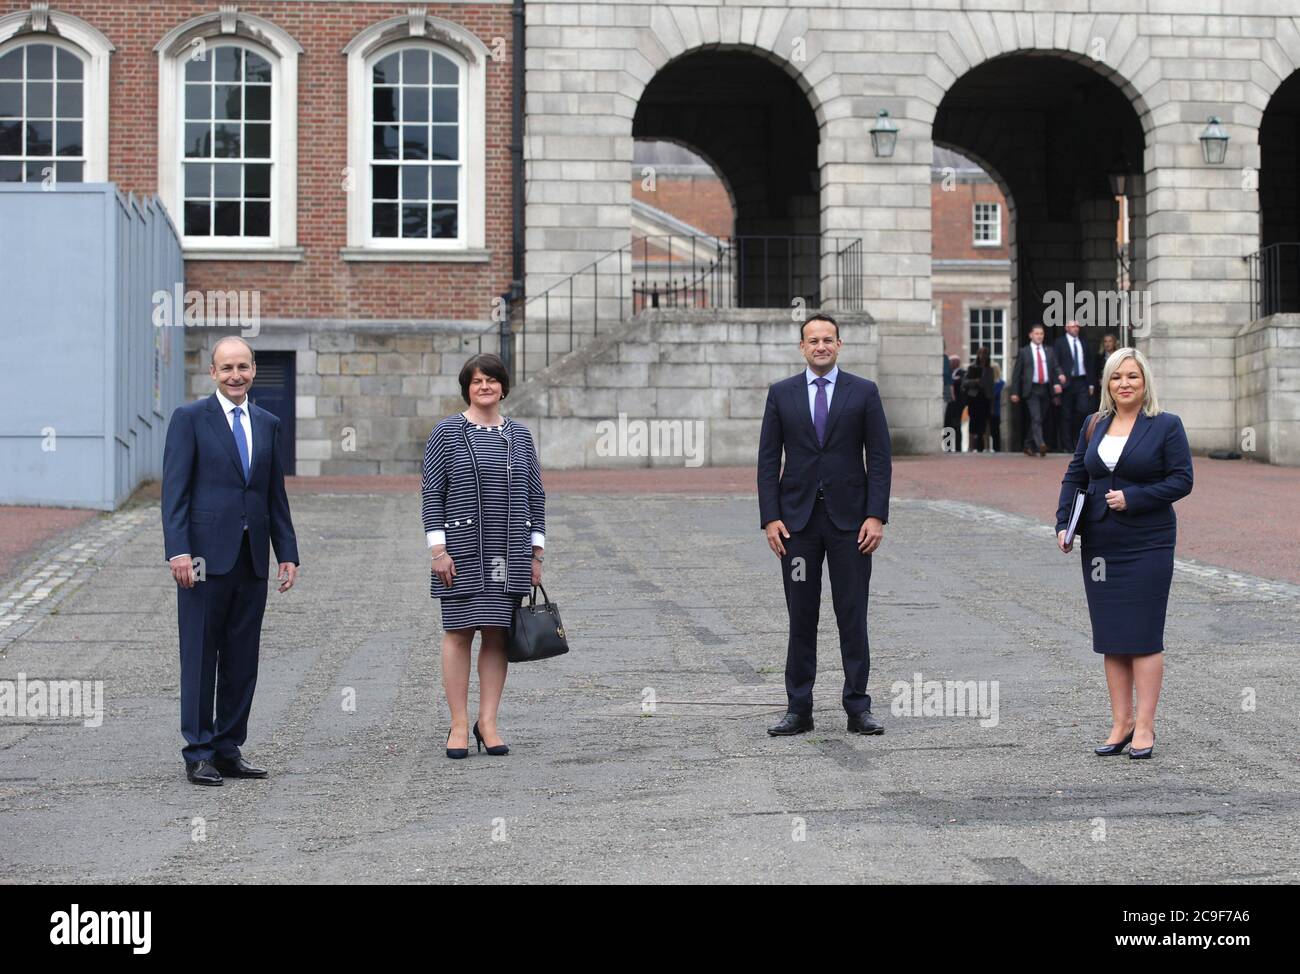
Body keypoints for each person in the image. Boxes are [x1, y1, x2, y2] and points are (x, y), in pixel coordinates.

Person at [161, 336, 299, 786]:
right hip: (201, 560)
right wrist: (178, 550)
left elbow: (273, 494)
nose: (235, 375)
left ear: (254, 369)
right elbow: (175, 493)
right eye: (227, 368)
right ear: (213, 373)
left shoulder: (267, 422)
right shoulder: (189, 420)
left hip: (251, 559)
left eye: (243, 367)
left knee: (242, 658)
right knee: (200, 655)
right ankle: (197, 751)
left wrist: (288, 553)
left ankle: (227, 747)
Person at [757, 313, 892, 738]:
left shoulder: (864, 392)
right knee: (801, 615)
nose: (820, 346)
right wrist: (770, 517)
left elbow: (881, 459)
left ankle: (858, 707)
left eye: (828, 339)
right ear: (802, 347)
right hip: (797, 526)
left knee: (852, 614)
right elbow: (767, 460)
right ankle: (799, 708)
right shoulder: (781, 394)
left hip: (851, 525)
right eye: (813, 340)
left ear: (839, 344)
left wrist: (876, 515)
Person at [1055, 347, 1192, 760]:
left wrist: (1135, 498)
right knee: (1112, 635)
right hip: (1101, 544)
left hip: (1148, 541)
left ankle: (1146, 725)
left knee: (1144, 635)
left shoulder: (1166, 425)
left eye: (1132, 376)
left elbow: (1182, 480)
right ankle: (1121, 723)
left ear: (1144, 381)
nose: (1125, 384)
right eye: (1117, 377)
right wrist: (1063, 523)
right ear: (1107, 384)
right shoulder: (1094, 424)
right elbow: (1075, 475)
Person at [422, 353, 545, 759]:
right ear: (467, 388)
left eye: (492, 380)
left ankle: (487, 722)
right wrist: (438, 550)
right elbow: (432, 494)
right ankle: (459, 724)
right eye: (477, 381)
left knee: (496, 633)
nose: (485, 386)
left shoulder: (521, 436)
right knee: (458, 634)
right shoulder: (446, 433)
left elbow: (535, 495)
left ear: (503, 387)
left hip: (508, 550)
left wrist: (536, 552)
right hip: (459, 551)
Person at [1009, 324, 1062, 457]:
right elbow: (1016, 374)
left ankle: (1027, 444)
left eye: (1041, 334)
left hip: (1045, 388)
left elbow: (1055, 367)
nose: (1039, 336)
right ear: (1031, 335)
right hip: (1031, 389)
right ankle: (1040, 444)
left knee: (1039, 419)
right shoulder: (1024, 351)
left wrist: (1059, 376)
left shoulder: (1049, 350)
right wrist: (1014, 392)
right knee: (1036, 417)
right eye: (1037, 333)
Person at [1053, 319, 1094, 454]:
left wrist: (1091, 383)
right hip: (1066, 383)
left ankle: (1079, 441)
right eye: (1073, 326)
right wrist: (1057, 383)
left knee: (1083, 411)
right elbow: (1054, 364)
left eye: (1077, 326)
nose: (1076, 328)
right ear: (1066, 327)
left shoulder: (1084, 342)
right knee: (1066, 415)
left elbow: (1089, 363)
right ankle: (1067, 445)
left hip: (1082, 382)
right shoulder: (1059, 343)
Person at [963, 346, 995, 452]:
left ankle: (987, 447)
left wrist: (991, 400)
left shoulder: (990, 369)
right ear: (978, 355)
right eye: (981, 353)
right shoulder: (972, 368)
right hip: (974, 397)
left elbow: (991, 385)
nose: (983, 356)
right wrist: (975, 381)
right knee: (973, 421)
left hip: (986, 398)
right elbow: (965, 383)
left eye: (985, 354)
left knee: (986, 422)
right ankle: (970, 446)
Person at [943, 354, 966, 453]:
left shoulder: (962, 373)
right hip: (949, 403)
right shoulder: (949, 373)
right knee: (947, 425)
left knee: (957, 426)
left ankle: (958, 448)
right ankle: (947, 447)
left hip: (957, 404)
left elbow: (961, 384)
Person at [1093, 333, 1119, 411]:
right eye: (1105, 341)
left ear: (1114, 343)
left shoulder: (1119, 356)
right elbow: (1096, 372)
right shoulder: (1098, 357)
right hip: (1102, 388)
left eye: (1110, 341)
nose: (1107, 344)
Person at [989, 363, 1005, 452]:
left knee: (995, 430)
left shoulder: (1001, 383)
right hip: (990, 409)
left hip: (996, 409)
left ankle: (997, 448)